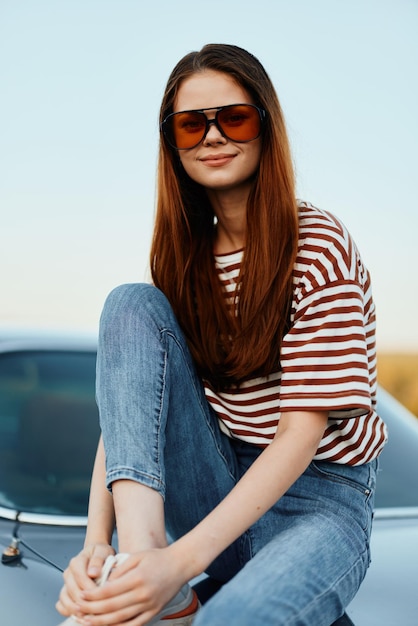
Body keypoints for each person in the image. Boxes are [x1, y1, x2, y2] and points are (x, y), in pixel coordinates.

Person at [56, 43, 387, 626]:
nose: (211, 137)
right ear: (172, 143)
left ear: (265, 127)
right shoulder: (180, 264)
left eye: (233, 118)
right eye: (190, 125)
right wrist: (97, 542)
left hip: (320, 503)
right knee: (130, 303)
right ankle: (141, 557)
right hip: (216, 486)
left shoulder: (319, 245)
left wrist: (182, 563)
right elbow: (132, 413)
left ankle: (164, 578)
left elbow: (300, 436)